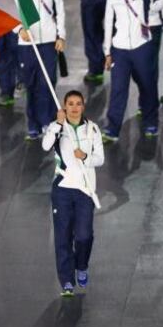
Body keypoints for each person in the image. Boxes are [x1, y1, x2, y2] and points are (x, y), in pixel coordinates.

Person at [42, 90, 105, 297]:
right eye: (70, 104)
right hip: (62, 189)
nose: (75, 107)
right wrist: (58, 124)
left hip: (85, 190)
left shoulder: (92, 129)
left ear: (83, 106)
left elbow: (100, 159)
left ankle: (82, 265)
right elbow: (45, 146)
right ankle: (67, 281)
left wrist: (85, 156)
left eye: (78, 103)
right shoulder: (57, 128)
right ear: (65, 106)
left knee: (84, 235)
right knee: (63, 237)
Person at [102, 0, 163, 142]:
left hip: (142, 47)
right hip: (120, 50)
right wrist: (107, 52)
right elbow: (108, 26)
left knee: (147, 86)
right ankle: (112, 129)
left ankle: (151, 123)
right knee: (118, 89)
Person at [17, 0, 66, 140]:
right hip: (27, 44)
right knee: (31, 85)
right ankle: (33, 124)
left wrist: (61, 36)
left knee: (48, 84)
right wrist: (19, 29)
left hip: (48, 43)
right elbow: (12, 12)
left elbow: (60, 13)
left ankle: (48, 122)